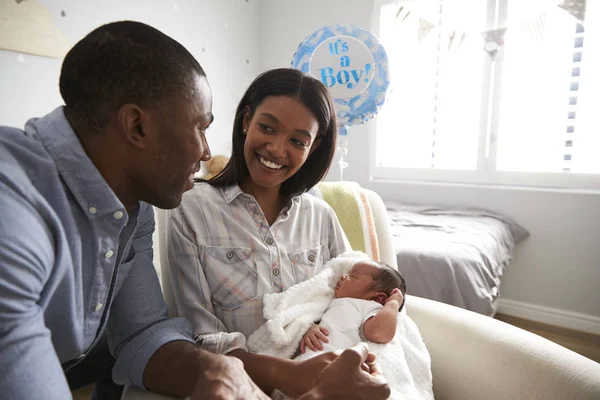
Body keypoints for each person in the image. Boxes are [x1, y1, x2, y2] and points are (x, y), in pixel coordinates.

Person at [0, 20, 389, 400]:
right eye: (200, 127)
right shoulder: (12, 205)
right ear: (136, 126)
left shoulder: (132, 211)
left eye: (298, 140)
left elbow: (142, 335)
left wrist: (220, 369)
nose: (206, 152)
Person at [167, 68, 389, 398]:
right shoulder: (191, 209)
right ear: (246, 122)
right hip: (241, 386)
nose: (276, 148)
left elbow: (357, 299)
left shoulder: (321, 217)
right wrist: (284, 375)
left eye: (298, 141)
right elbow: (203, 334)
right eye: (267, 128)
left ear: (312, 148)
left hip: (329, 376)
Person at [297, 259, 406, 359]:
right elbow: (312, 317)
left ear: (377, 298)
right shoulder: (330, 301)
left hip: (336, 365)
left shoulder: (370, 308)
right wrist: (311, 328)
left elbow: (379, 333)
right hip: (309, 360)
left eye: (353, 276)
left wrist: (393, 303)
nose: (343, 276)